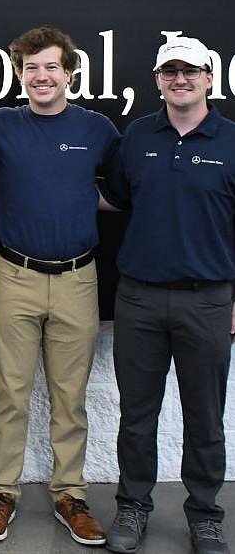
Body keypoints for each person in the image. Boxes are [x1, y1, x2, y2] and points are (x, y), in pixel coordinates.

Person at [0, 25, 120, 546]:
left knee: (70, 396)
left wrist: (84, 201)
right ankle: (2, 493)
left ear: (70, 73)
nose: (41, 77)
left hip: (79, 278)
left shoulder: (98, 129)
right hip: (14, 275)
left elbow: (121, 190)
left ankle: (70, 495)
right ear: (19, 74)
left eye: (51, 67)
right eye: (31, 68)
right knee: (9, 393)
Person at [103, 36, 235, 554]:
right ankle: (133, 509)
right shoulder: (137, 137)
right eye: (170, 72)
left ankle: (204, 514)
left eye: (190, 71)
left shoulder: (230, 140)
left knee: (204, 415)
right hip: (138, 298)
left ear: (209, 78)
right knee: (137, 414)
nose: (180, 80)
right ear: (157, 80)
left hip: (207, 300)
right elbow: (112, 198)